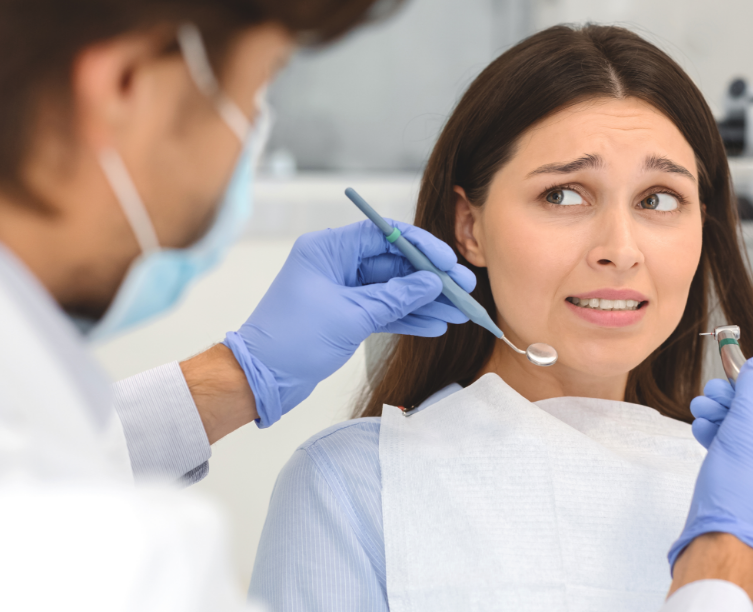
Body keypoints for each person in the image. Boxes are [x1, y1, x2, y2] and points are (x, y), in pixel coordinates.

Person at [249, 25, 753, 611]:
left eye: (659, 199)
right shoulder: (353, 493)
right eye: (564, 195)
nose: (620, 248)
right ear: (470, 227)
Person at [0, 1, 477, 608]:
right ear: (126, 85)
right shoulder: (115, 559)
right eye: (260, 85)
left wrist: (241, 373)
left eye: (645, 200)